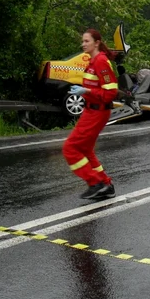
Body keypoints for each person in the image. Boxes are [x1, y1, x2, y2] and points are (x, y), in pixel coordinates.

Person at [63, 28, 119, 200]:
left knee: (70, 148)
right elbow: (94, 86)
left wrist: (86, 90)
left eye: (87, 41)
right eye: (83, 41)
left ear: (96, 43)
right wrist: (83, 92)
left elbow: (111, 93)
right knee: (85, 149)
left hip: (97, 111)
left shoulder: (101, 62)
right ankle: (106, 185)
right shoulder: (92, 61)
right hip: (90, 109)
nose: (83, 44)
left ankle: (95, 183)